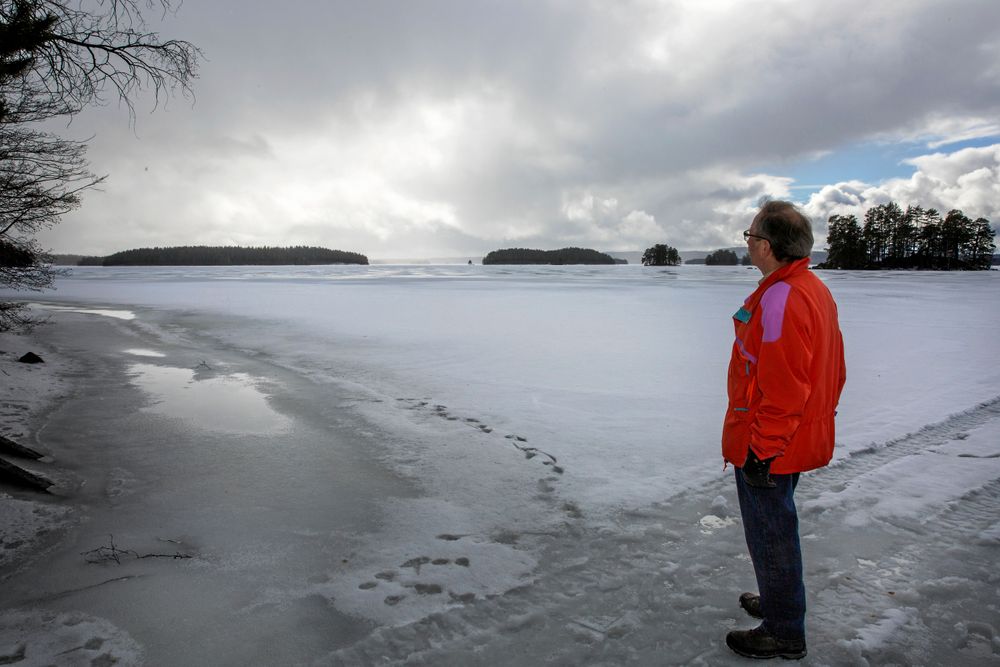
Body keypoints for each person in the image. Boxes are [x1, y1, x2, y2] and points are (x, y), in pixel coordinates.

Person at [722, 200, 846, 660]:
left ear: (767, 246)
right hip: (791, 434)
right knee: (774, 529)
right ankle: (780, 602)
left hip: (772, 442)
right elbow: (830, 370)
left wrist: (762, 449)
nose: (748, 242)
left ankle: (784, 630)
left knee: (771, 535)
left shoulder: (782, 299)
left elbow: (784, 385)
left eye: (751, 235)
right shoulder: (809, 288)